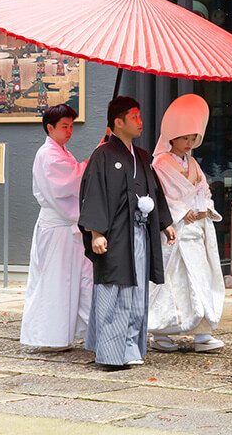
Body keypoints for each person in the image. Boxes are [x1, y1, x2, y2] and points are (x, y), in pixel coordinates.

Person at [79, 96, 177, 369]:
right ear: (117, 122)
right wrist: (96, 232)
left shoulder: (143, 156)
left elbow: (154, 190)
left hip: (140, 233)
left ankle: (131, 344)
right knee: (115, 287)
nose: (140, 121)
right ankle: (110, 352)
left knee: (137, 291)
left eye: (140, 116)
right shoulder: (103, 155)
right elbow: (93, 193)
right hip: (115, 234)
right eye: (134, 116)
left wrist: (165, 222)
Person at [147, 93, 226, 352]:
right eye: (185, 138)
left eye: (193, 138)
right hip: (176, 231)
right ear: (172, 137)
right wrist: (182, 212)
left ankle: (202, 332)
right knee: (175, 282)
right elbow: (162, 196)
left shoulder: (192, 162)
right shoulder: (160, 163)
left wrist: (204, 209)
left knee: (200, 279)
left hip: (195, 230)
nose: (189, 143)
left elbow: (203, 189)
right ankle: (161, 332)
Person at [20, 104, 93, 350]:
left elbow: (72, 176)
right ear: (50, 128)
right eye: (64, 126)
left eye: (71, 126)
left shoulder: (60, 151)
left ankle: (62, 335)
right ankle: (49, 337)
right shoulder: (48, 154)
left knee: (70, 281)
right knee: (55, 282)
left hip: (64, 225)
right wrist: (93, 161)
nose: (69, 130)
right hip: (57, 227)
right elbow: (68, 182)